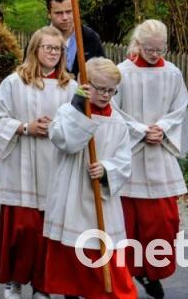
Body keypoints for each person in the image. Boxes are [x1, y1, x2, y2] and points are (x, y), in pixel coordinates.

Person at [0, 27, 76, 299]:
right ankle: (13, 282)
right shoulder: (14, 82)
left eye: (57, 49)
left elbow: (80, 126)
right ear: (35, 49)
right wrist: (26, 127)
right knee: (22, 230)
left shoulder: (70, 87)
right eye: (47, 47)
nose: (52, 53)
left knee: (47, 234)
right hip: (21, 167)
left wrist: (57, 129)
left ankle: (42, 287)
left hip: (54, 166)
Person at [43, 57, 137, 299]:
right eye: (101, 89)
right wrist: (78, 108)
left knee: (105, 259)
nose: (106, 95)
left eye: (111, 91)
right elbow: (66, 142)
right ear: (86, 84)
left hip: (100, 200)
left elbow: (124, 161)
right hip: (72, 194)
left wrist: (106, 170)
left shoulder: (117, 122)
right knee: (73, 257)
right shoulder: (67, 111)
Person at [113, 19, 188, 299]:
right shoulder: (122, 73)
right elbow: (113, 109)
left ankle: (151, 271)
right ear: (138, 43)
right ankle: (129, 273)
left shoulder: (172, 73)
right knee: (128, 221)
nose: (155, 53)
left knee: (163, 221)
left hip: (159, 155)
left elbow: (179, 107)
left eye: (160, 48)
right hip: (131, 155)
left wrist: (163, 129)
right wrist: (142, 131)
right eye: (149, 48)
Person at [45, 0, 105, 76]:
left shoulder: (91, 38)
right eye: (59, 13)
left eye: (69, 12)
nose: (65, 18)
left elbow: (104, 74)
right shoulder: (39, 41)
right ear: (49, 13)